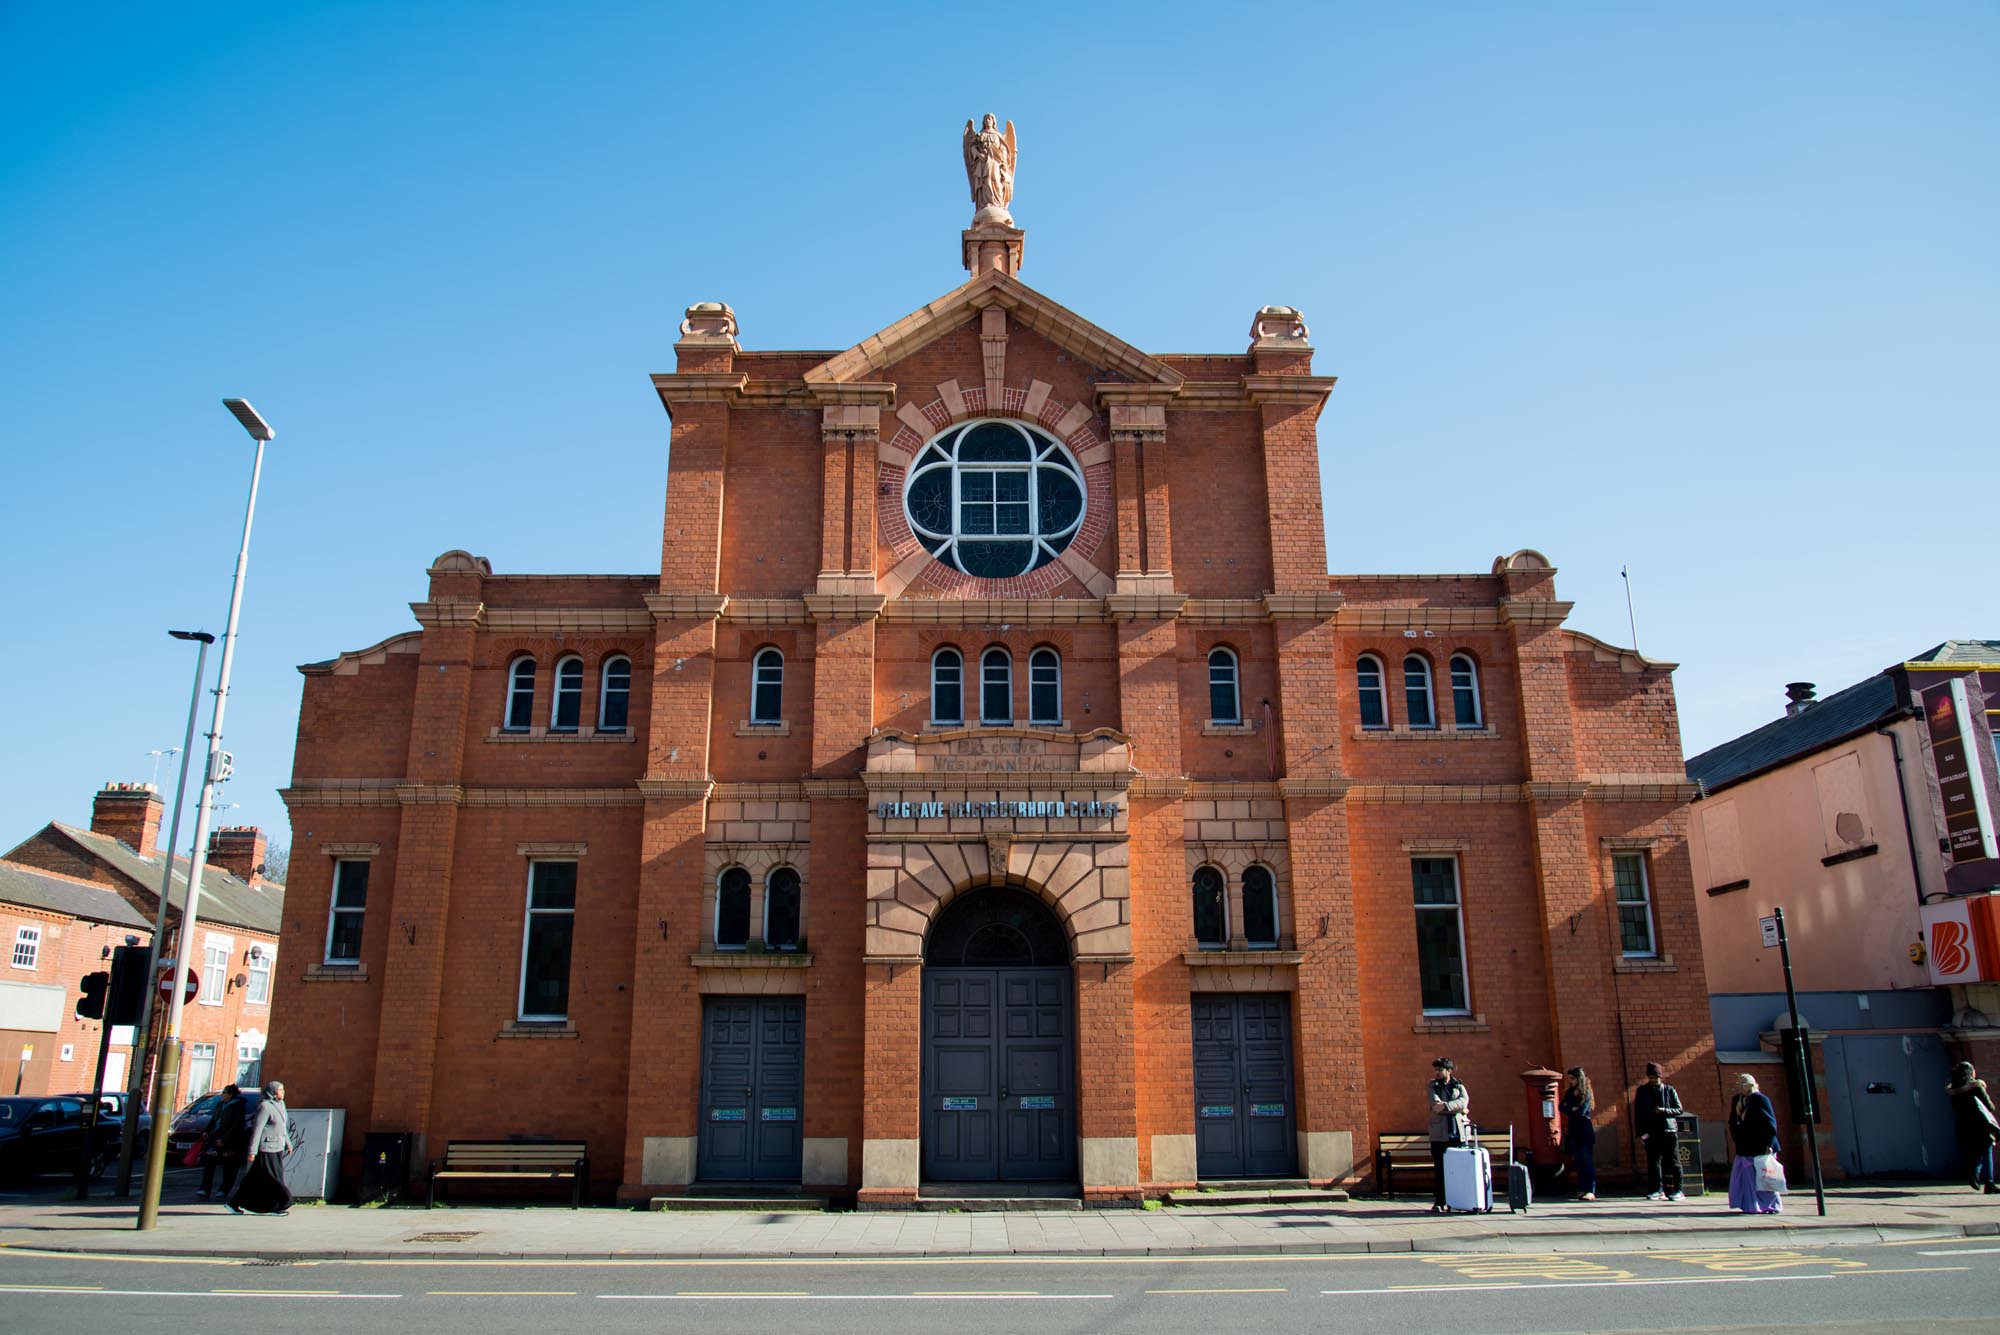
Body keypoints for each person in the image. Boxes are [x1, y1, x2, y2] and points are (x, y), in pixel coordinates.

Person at [227, 1080, 293, 1216]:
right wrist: (252, 1151)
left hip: (277, 1147)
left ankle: (233, 1203)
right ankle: (280, 1204)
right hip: (266, 1148)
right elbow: (257, 1129)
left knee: (254, 1179)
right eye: (280, 1090)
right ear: (273, 1092)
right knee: (274, 1178)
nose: (283, 1092)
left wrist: (288, 1142)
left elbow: (282, 1128)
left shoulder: (280, 1105)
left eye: (283, 1089)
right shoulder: (265, 1106)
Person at [1726, 1072, 1782, 1214]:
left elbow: (1770, 1123)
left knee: (1765, 1177)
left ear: (1751, 1084)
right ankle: (1751, 1205)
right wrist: (1736, 1136)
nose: (1739, 1086)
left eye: (1742, 1083)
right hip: (1745, 1146)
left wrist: (1769, 1145)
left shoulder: (1760, 1100)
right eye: (1738, 1083)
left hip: (1760, 1146)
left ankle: (1772, 1205)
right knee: (1747, 1179)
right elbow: (1733, 1120)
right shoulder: (1738, 1100)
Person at [1633, 1061, 1685, 1202]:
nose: (1653, 1080)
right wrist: (1641, 1133)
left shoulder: (1669, 1090)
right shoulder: (1642, 1091)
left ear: (1660, 1077)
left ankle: (1678, 1190)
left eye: (1656, 1077)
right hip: (1651, 1131)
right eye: (1651, 1077)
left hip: (1668, 1130)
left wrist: (1665, 1110)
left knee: (1673, 1161)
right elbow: (1638, 1113)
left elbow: (1679, 1109)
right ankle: (1657, 1189)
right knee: (1653, 1162)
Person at [1427, 1057, 1472, 1214]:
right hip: (1440, 1135)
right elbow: (1435, 1105)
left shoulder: (1458, 1085)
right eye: (1436, 1070)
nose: (1437, 1073)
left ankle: (1458, 1201)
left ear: (1449, 1071)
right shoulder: (1433, 1086)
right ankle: (1440, 1201)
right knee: (1440, 1170)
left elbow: (1464, 1102)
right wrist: (1457, 1108)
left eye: (1440, 1070)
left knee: (1458, 1169)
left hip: (1458, 1134)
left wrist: (1447, 1106)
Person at [1948, 1061, 2000, 1194]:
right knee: (1986, 1152)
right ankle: (1989, 1182)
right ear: (1971, 1072)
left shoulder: (1954, 1090)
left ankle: (1974, 1173)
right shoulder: (1976, 1087)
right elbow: (1989, 1106)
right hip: (1980, 1125)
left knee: (1974, 1152)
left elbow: (1956, 1108)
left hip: (1964, 1126)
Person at [196, 1084, 246, 1200]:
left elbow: (236, 1125)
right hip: (215, 1137)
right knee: (209, 1164)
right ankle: (204, 1189)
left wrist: (224, 1139)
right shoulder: (220, 1105)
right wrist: (207, 1131)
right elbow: (214, 1119)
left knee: (229, 1167)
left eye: (224, 1092)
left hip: (230, 1141)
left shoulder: (238, 1107)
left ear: (230, 1094)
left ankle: (224, 1190)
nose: (222, 1095)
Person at [1560, 1067, 1597, 1201]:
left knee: (1587, 1160)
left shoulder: (1586, 1092)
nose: (1570, 1081)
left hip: (1584, 1130)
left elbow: (1581, 1111)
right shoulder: (1570, 1092)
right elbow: (1561, 1106)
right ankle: (1582, 1188)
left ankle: (1590, 1190)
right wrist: (1572, 1108)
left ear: (1579, 1078)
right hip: (1573, 1130)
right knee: (1579, 1162)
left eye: (1572, 1078)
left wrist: (1570, 1108)